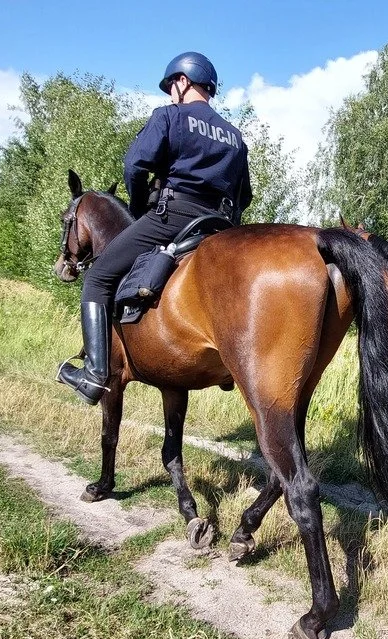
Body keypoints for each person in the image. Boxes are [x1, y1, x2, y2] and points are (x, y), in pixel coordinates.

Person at [57, 51, 253, 405]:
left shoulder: (169, 116)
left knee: (97, 277)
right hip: (217, 226)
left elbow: (134, 165)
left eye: (170, 86)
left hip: (173, 216)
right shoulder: (235, 137)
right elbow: (246, 195)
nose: (169, 94)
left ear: (182, 81)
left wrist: (137, 209)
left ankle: (94, 376)